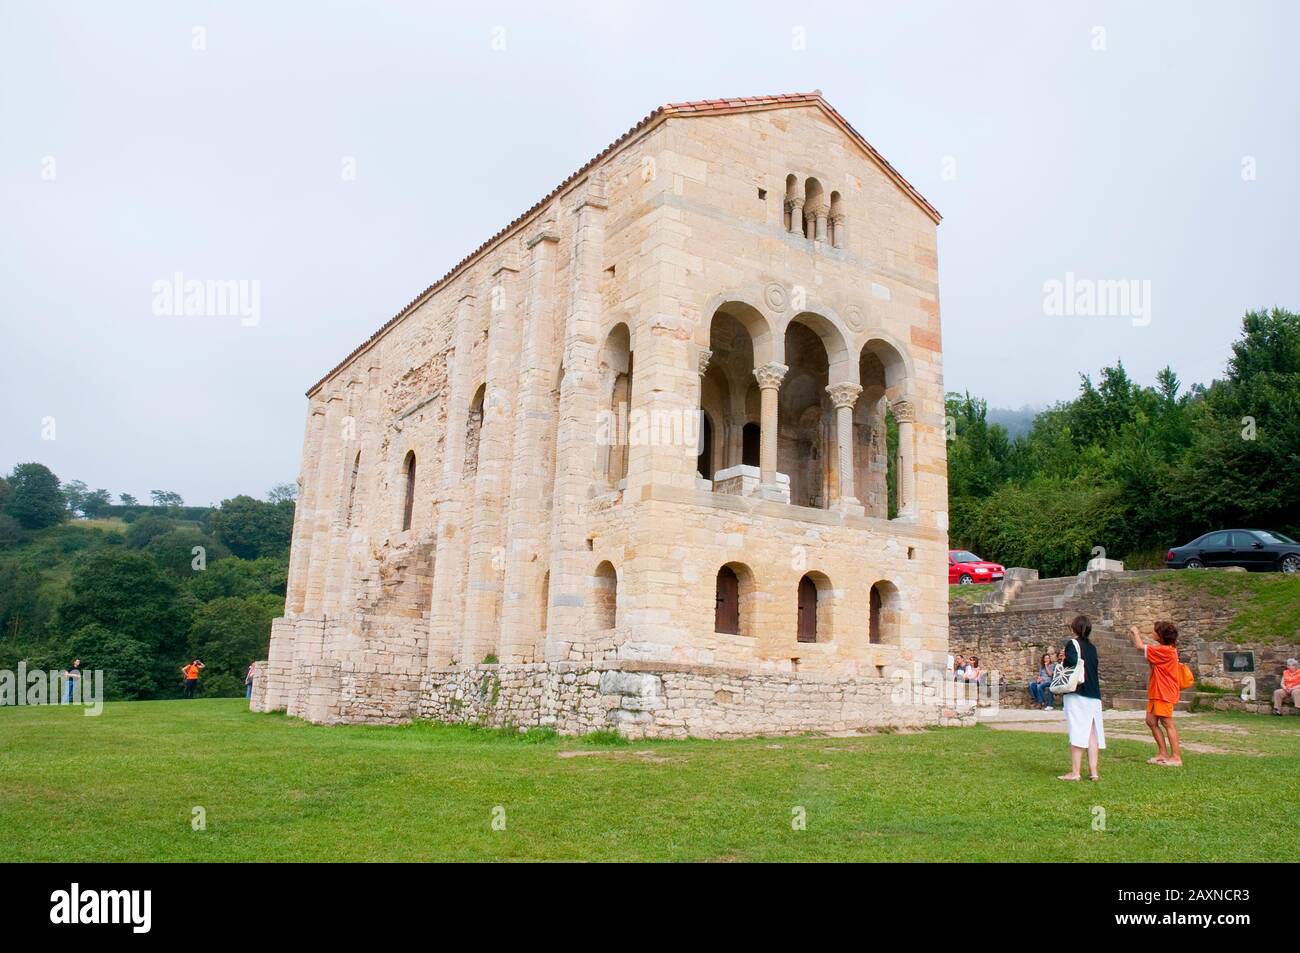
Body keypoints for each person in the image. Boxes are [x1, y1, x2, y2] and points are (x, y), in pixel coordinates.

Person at [1058, 615, 1104, 782]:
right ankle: (1093, 772)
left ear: (1074, 628)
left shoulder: (1073, 644)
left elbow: (1071, 662)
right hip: (1094, 694)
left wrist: (1063, 659)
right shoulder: (1092, 648)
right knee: (1092, 733)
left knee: (1077, 730)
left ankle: (1075, 772)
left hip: (1078, 693)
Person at [1130, 621, 1183, 766]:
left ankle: (1176, 757)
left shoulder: (1166, 650)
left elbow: (1140, 647)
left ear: (1161, 635)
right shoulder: (1163, 649)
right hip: (1156, 691)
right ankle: (1163, 753)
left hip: (1164, 692)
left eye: (1155, 631)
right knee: (1151, 721)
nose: (1152, 633)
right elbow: (1151, 661)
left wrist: (1135, 633)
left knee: (1167, 722)